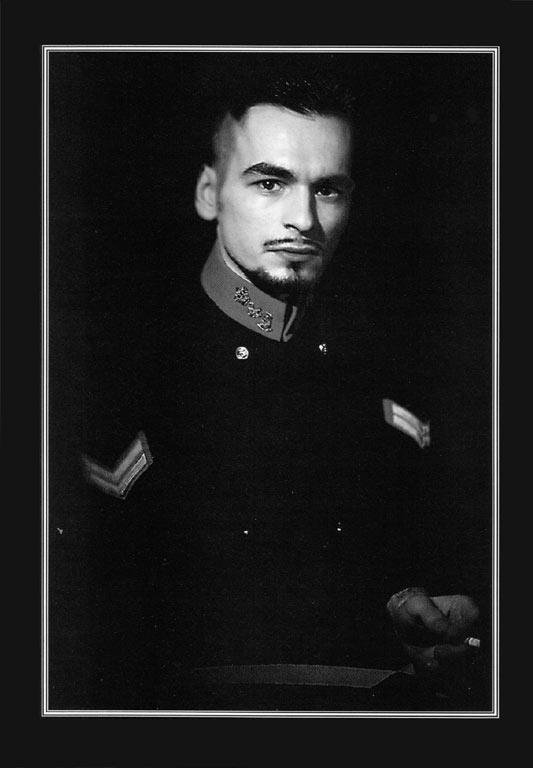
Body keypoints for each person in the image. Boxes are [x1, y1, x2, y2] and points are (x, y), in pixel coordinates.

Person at [51, 70, 485, 712]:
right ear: (209, 193)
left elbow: (436, 572)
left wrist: (426, 611)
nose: (304, 220)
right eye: (269, 183)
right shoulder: (119, 374)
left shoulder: (391, 377)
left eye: (327, 190)